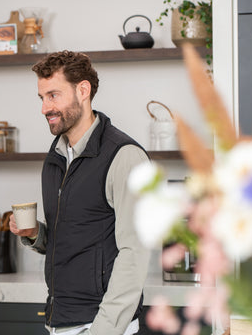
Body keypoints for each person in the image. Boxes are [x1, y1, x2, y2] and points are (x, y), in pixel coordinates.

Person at [9, 50, 151, 335]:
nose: (44, 108)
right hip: (60, 320)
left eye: (53, 95)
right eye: (42, 98)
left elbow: (134, 254)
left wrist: (103, 330)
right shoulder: (56, 156)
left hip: (100, 325)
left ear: (83, 90)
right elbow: (74, 237)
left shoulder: (124, 157)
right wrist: (35, 234)